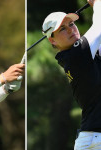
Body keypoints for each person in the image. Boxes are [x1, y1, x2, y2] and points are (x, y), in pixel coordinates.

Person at [42, 0, 101, 149]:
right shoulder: (76, 54)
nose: (70, 30)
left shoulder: (82, 53)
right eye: (62, 29)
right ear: (52, 40)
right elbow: (99, 26)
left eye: (71, 24)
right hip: (95, 140)